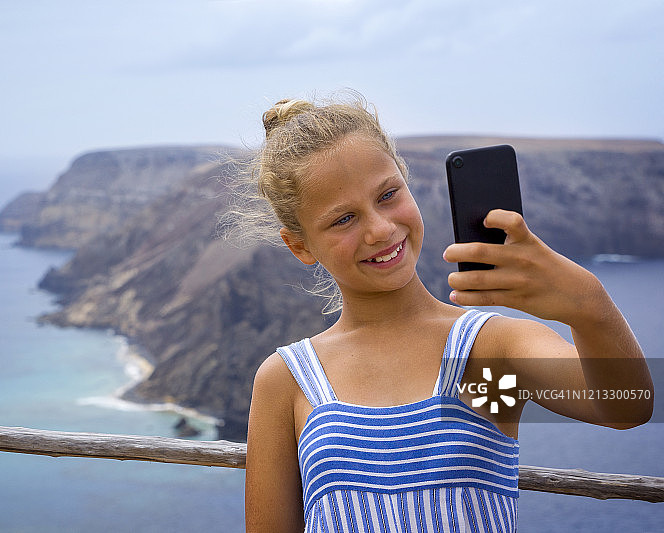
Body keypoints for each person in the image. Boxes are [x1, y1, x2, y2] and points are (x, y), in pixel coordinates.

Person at [240, 93, 654, 533]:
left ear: (407, 181)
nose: (380, 229)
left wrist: (588, 305)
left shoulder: (484, 355)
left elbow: (622, 407)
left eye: (387, 194)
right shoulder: (288, 381)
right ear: (300, 245)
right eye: (343, 219)